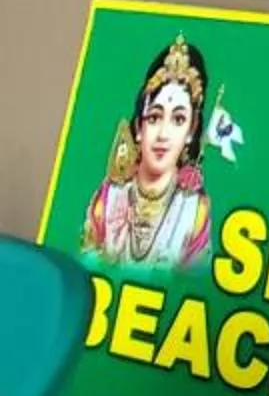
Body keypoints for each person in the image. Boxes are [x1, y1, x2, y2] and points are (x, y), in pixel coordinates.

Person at [81, 34, 215, 271]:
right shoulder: (109, 198)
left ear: (191, 131)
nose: (163, 133)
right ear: (139, 126)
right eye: (154, 117)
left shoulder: (193, 211)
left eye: (178, 119)